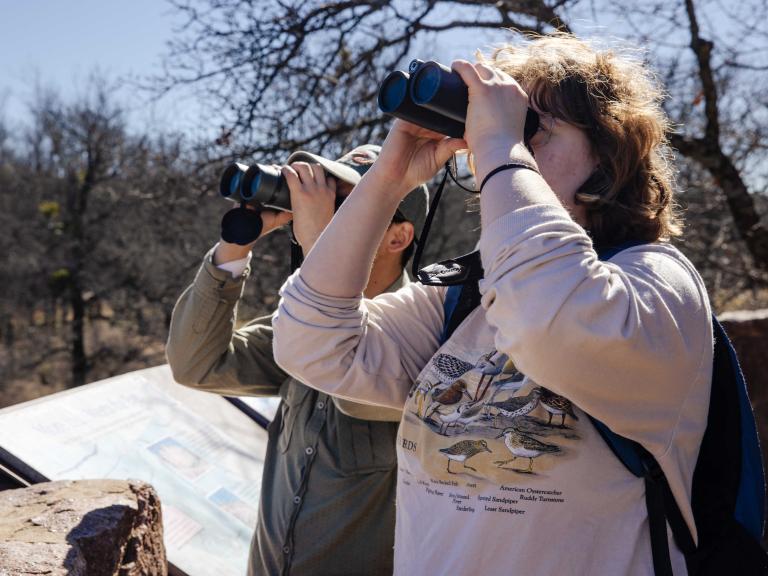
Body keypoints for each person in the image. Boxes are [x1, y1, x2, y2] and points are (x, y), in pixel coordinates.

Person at [272, 34, 713, 575]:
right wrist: (389, 177)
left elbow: (551, 323)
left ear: (608, 151)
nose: (488, 144)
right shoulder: (463, 301)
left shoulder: (656, 282)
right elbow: (311, 343)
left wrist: (504, 145)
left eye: (533, 127)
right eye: (488, 129)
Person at [165, 144, 429, 576]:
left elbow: (352, 371)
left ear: (399, 237)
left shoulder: (422, 334)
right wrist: (234, 248)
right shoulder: (299, 326)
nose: (329, 213)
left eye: (352, 206)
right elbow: (196, 364)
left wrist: (323, 245)